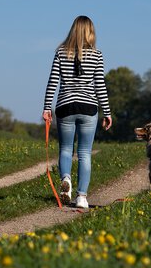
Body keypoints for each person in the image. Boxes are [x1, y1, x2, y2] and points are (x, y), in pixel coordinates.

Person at [42, 15, 112, 209]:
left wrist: (47, 107)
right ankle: (81, 197)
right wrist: (107, 111)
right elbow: (100, 86)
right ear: (90, 32)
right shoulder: (97, 55)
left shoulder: (60, 53)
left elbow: (53, 82)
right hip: (88, 107)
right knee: (84, 153)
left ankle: (66, 180)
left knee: (65, 149)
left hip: (65, 106)